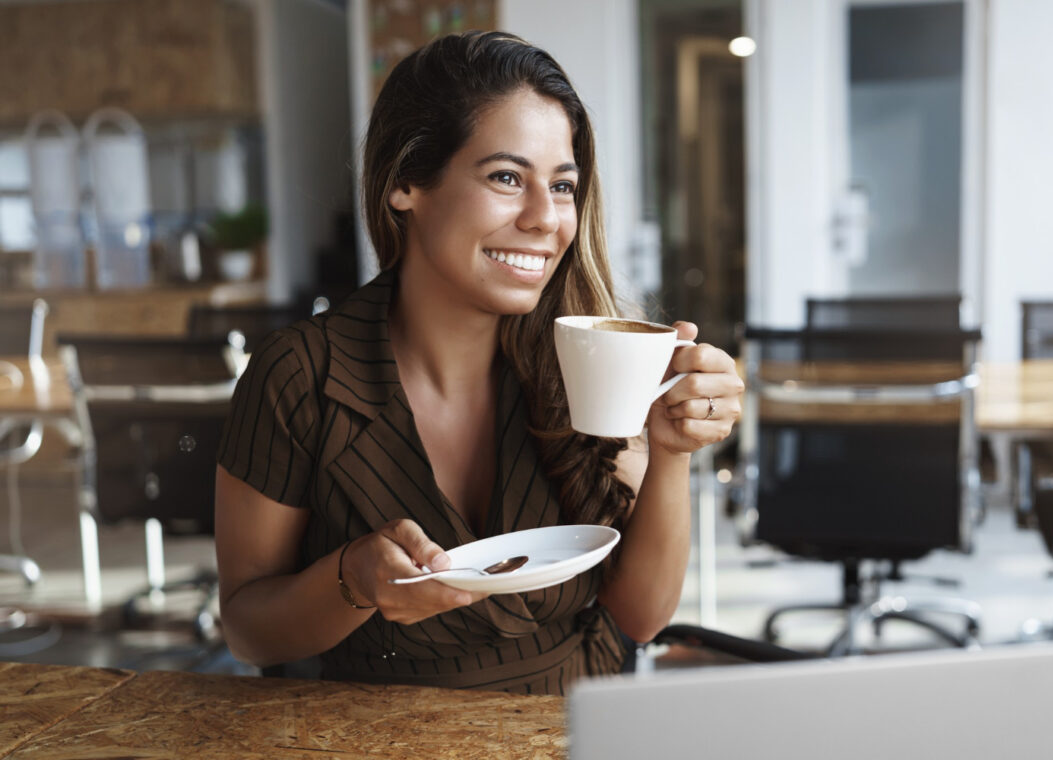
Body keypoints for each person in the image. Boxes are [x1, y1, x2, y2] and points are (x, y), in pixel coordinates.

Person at [214, 30, 743, 695]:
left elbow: (638, 617)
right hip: (377, 735)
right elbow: (247, 629)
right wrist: (350, 580)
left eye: (562, 186)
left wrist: (670, 454)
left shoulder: (586, 359)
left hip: (571, 724)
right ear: (407, 183)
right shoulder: (300, 375)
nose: (544, 218)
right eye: (505, 178)